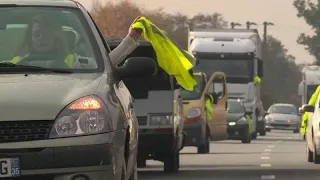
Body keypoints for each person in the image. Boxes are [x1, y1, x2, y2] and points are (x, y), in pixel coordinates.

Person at [10, 14, 142, 67]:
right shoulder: (12, 66)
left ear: (56, 36)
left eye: (46, 34)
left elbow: (105, 66)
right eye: (36, 34)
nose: (40, 38)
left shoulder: (76, 64)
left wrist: (130, 39)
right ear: (30, 38)